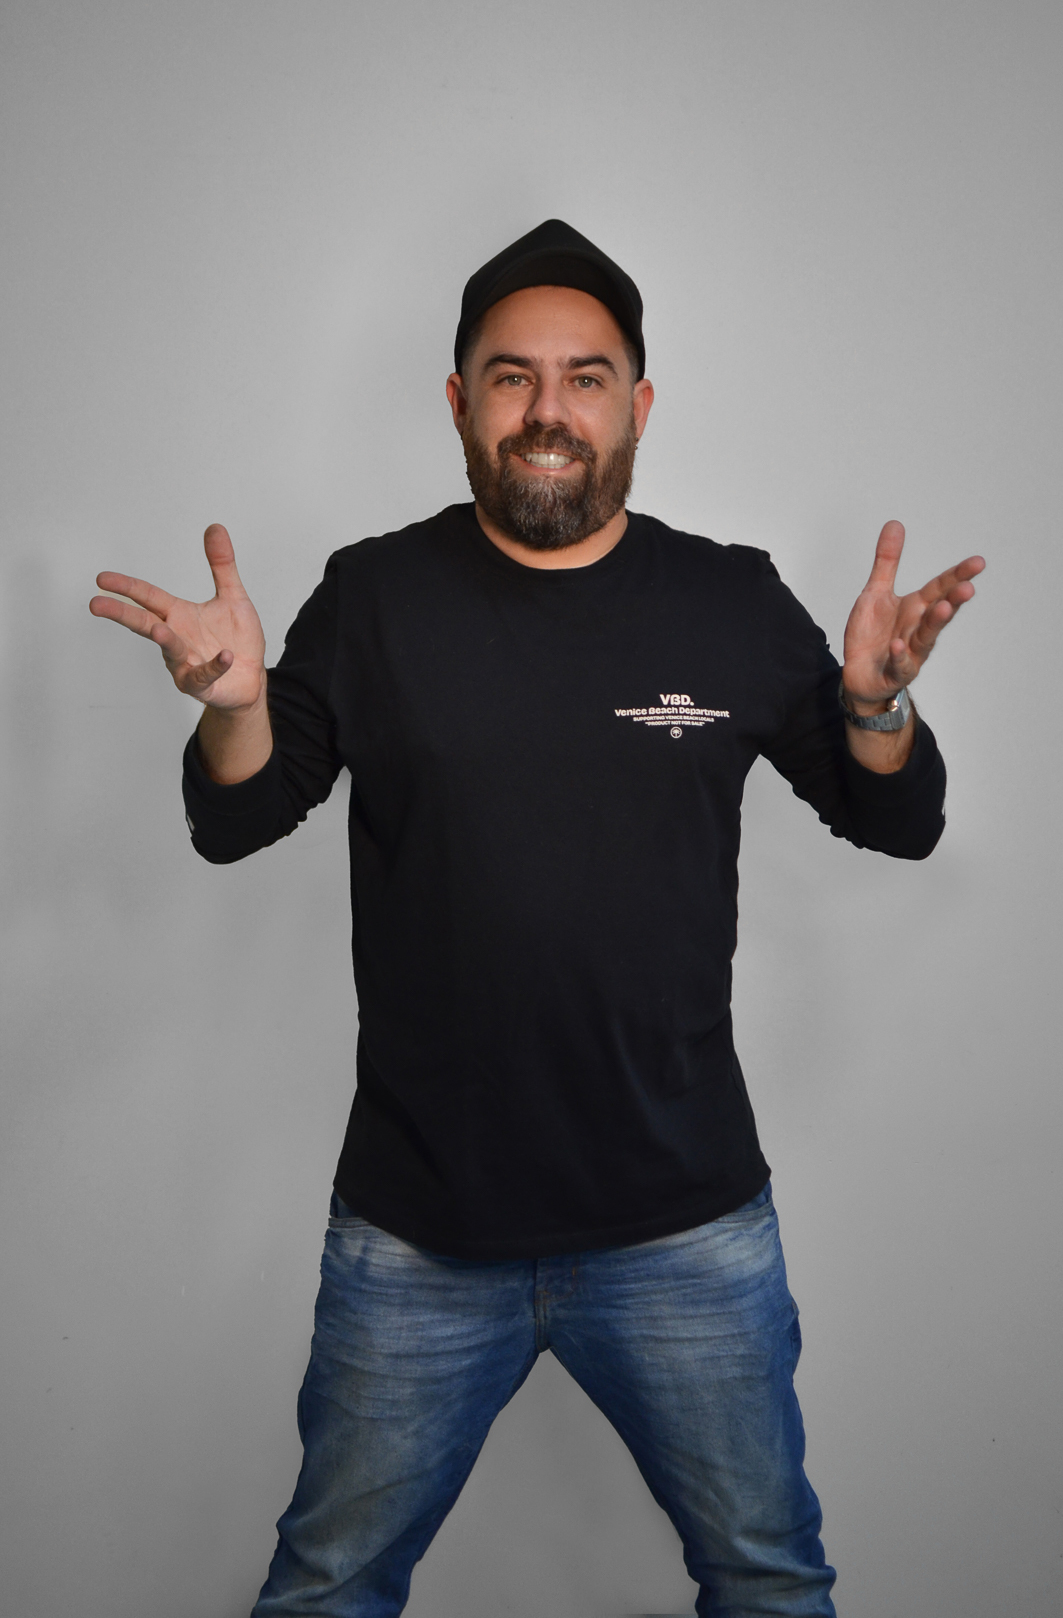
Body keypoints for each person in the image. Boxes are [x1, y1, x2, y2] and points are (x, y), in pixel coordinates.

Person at [90, 220, 984, 1618]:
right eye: (512, 377)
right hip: (419, 1232)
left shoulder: (728, 599)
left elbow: (898, 819)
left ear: (639, 404)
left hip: (684, 1226)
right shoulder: (375, 597)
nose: (548, 410)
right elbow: (239, 817)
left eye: (586, 377)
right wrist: (233, 705)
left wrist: (878, 706)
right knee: (328, 1588)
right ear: (460, 403)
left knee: (768, 1582)